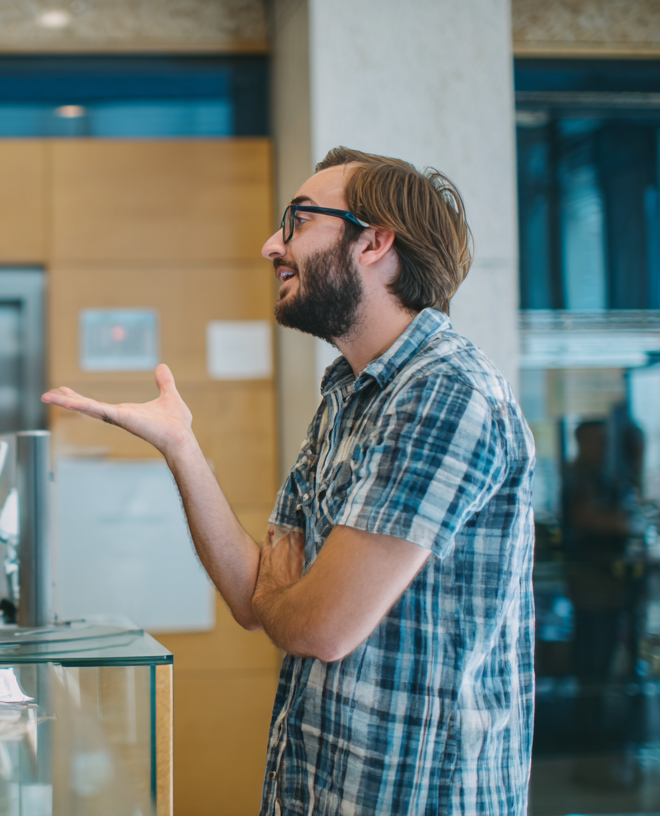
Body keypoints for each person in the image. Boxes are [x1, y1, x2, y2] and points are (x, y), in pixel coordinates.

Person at [44, 147, 535, 813]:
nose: (272, 243)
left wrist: (293, 603)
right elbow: (258, 599)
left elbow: (319, 628)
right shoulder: (346, 393)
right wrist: (181, 447)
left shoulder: (445, 393)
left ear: (375, 241)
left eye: (299, 221)